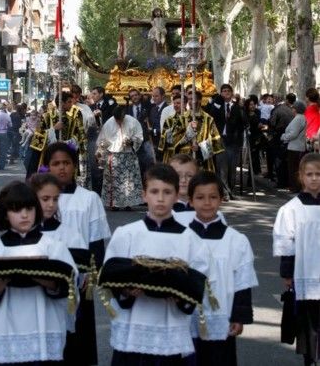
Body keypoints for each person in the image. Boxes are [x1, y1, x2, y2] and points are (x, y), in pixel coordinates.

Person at [101, 163, 215, 365]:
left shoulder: (191, 240)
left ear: (176, 195)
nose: (160, 198)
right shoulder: (126, 234)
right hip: (133, 330)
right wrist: (126, 291)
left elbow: (199, 284)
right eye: (154, 191)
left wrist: (180, 296)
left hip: (170, 332)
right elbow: (111, 275)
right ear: (144, 195)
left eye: (167, 192)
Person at [0, 181, 78, 365]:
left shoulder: (53, 247)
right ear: (5, 213)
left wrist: (52, 285)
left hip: (44, 326)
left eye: (29, 208)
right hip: (2, 329)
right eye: (16, 210)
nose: (24, 215)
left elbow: (71, 289)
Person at [43, 141, 111, 366]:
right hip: (47, 273)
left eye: (66, 163)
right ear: (48, 167)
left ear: (74, 166)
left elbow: (95, 238)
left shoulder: (89, 198)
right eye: (56, 164)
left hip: (80, 276)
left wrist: (93, 272)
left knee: (79, 333)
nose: (61, 168)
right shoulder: (40, 199)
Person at [187, 171, 258, 366]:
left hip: (223, 316)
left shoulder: (236, 241)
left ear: (221, 200)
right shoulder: (182, 238)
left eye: (213, 197)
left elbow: (243, 282)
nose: (207, 203)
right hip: (186, 318)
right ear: (191, 201)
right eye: (200, 197)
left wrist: (239, 316)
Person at [273, 153, 320, 366]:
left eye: (318, 174)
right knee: (309, 323)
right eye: (309, 174)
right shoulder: (291, 209)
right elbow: (286, 242)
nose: (314, 178)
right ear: (301, 176)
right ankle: (309, 358)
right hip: (306, 274)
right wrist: (287, 273)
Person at [27, 92, 86, 181]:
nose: (72, 104)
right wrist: (53, 129)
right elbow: (37, 138)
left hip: (66, 154)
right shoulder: (46, 116)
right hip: (48, 156)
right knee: (46, 180)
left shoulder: (74, 117)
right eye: (69, 102)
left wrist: (69, 143)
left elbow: (79, 135)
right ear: (62, 103)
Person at [97, 105, 143, 210]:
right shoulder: (109, 123)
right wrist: (101, 152)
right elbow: (103, 140)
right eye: (117, 120)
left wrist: (131, 141)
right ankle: (114, 204)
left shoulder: (133, 122)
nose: (119, 122)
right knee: (114, 182)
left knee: (129, 181)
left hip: (128, 155)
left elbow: (139, 136)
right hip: (114, 156)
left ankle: (128, 203)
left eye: (121, 119)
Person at [174, 90, 224, 172]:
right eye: (189, 99)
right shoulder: (182, 118)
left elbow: (217, 143)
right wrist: (186, 137)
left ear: (200, 100)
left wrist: (200, 148)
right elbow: (174, 141)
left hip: (203, 162)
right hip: (185, 160)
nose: (190, 102)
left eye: (192, 99)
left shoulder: (208, 119)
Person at [209, 84, 245, 199]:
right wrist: (217, 102)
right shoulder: (217, 105)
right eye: (224, 91)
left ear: (232, 92)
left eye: (228, 90)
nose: (226, 93)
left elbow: (244, 122)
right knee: (221, 167)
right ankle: (224, 192)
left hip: (233, 141)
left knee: (232, 168)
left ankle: (231, 190)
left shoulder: (237, 107)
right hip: (220, 140)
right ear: (221, 93)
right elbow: (211, 115)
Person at [126, 88, 155, 180]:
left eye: (136, 95)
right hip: (134, 140)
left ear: (139, 95)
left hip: (146, 137)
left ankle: (150, 179)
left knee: (149, 159)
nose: (134, 97)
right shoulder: (128, 109)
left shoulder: (148, 106)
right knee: (137, 161)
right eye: (132, 96)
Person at [281, 101, 307, 193]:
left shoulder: (298, 119)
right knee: (297, 168)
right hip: (299, 146)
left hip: (294, 147)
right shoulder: (302, 118)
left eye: (293, 108)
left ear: (295, 109)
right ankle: (297, 186)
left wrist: (283, 136)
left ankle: (294, 187)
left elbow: (293, 134)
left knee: (293, 169)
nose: (292, 109)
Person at [158, 93, 186, 163]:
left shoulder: (190, 118)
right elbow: (164, 136)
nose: (176, 105)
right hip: (171, 152)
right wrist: (167, 136)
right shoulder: (169, 120)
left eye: (178, 103)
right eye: (174, 103)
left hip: (185, 151)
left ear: (185, 104)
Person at [149, 86, 168, 159]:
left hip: (163, 142)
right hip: (154, 141)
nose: (154, 98)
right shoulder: (153, 109)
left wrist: (154, 131)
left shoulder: (167, 108)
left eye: (156, 96)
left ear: (163, 96)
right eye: (153, 96)